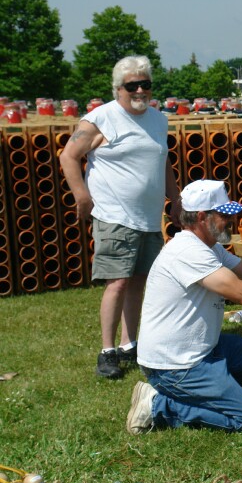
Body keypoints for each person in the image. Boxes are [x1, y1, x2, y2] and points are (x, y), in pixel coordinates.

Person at [126, 180, 242, 434]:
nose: (232, 220)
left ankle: (208, 393)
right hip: (175, 365)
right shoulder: (187, 251)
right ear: (202, 217)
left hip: (200, 351)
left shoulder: (210, 247)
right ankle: (159, 404)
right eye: (224, 215)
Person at [59, 55, 181, 379]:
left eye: (145, 84)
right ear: (118, 89)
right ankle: (107, 350)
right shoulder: (101, 119)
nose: (140, 90)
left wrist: (176, 198)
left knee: (140, 280)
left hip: (148, 216)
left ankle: (130, 343)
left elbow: (163, 161)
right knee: (117, 282)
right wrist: (81, 195)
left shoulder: (158, 120)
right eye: (132, 85)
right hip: (114, 215)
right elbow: (68, 156)